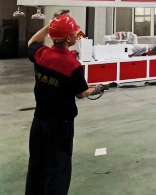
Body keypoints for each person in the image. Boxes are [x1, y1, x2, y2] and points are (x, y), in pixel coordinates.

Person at [25, 13, 103, 195]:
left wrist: (50, 26)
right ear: (68, 38)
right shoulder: (72, 65)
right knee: (58, 168)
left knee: (37, 165)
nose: (77, 34)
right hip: (60, 126)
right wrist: (96, 89)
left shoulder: (41, 54)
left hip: (39, 122)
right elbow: (81, 93)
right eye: (74, 32)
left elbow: (31, 42)